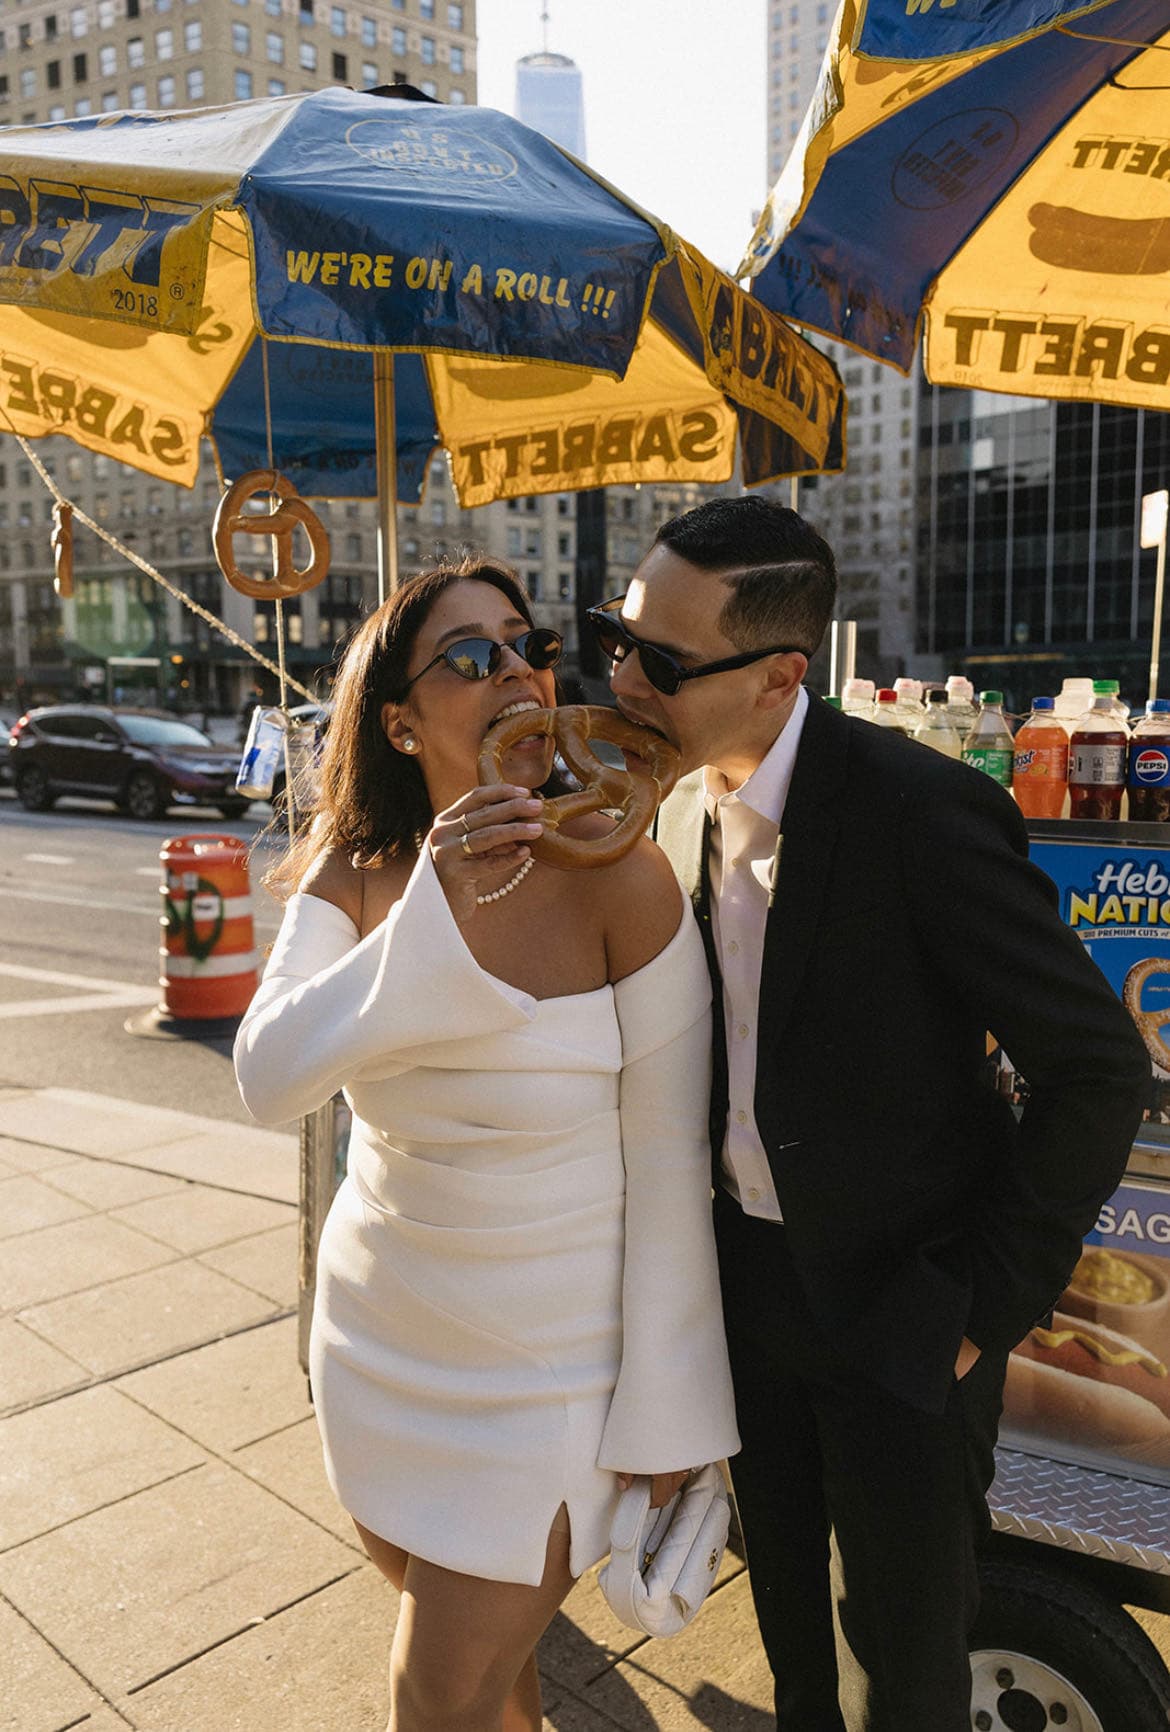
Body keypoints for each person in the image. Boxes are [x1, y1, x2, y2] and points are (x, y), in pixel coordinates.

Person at [589, 496, 1149, 1732]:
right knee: (785, 1627)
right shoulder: (675, 802)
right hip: (749, 1295)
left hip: (905, 1309)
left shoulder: (918, 812)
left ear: (781, 675)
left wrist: (977, 1310)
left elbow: (1099, 1068)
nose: (623, 680)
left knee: (907, 1663)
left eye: (662, 663)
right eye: (616, 641)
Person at [234, 555, 738, 1732]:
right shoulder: (355, 876)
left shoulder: (626, 875)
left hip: (548, 1374)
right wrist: (432, 913)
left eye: (528, 646)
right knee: (492, 1676)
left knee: (435, 1699)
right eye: (471, 656)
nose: (517, 670)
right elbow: (267, 1077)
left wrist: (674, 1415)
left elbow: (670, 1170)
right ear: (401, 722)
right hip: (378, 1342)